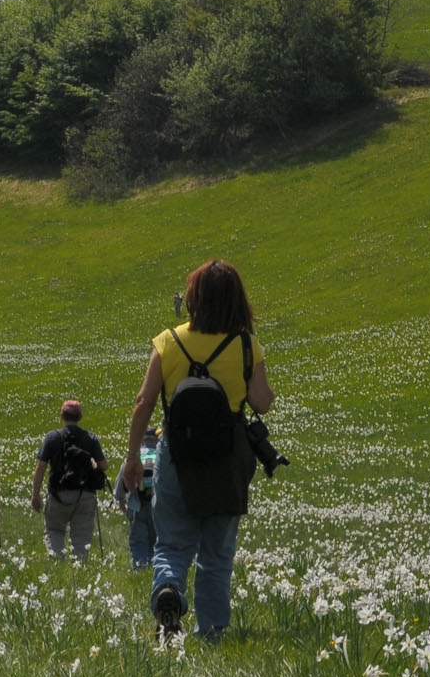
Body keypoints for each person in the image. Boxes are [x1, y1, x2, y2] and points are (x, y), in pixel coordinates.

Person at [125, 259, 276, 641]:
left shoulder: (169, 341)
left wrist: (131, 458)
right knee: (217, 554)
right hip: (228, 461)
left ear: (193, 298)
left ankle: (168, 590)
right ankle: (210, 631)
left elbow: (143, 403)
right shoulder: (246, 345)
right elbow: (262, 402)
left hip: (177, 455)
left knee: (172, 542)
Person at [29, 399, 108, 561]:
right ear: (80, 417)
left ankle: (57, 563)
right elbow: (104, 465)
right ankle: (79, 568)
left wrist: (35, 494)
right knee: (81, 535)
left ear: (61, 416)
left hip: (59, 493)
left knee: (54, 530)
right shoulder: (90, 438)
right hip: (85, 494)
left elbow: (40, 468)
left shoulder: (52, 437)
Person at [113, 425, 161, 569]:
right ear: (157, 440)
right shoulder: (161, 458)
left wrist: (121, 499)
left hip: (136, 506)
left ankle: (140, 570)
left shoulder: (134, 459)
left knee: (139, 542)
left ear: (142, 440)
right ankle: (155, 571)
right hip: (158, 507)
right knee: (156, 541)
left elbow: (121, 480)